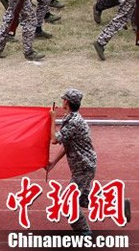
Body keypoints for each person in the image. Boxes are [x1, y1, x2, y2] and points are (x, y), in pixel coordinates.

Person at [45, 89, 97, 235]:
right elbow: (68, 144)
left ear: (66, 102)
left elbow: (55, 139)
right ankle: (117, 204)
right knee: (83, 199)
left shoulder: (74, 122)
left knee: (67, 200)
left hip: (84, 167)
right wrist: (54, 162)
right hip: (84, 165)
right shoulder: (71, 118)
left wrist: (52, 118)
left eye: (63, 99)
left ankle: (84, 232)